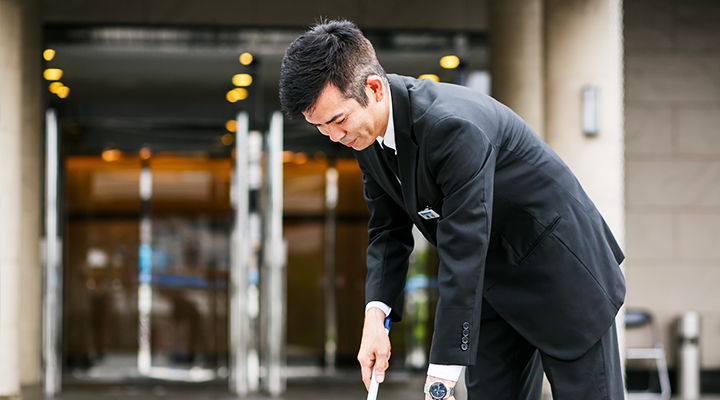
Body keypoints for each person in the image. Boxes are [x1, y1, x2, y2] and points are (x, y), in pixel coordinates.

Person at [279, 20, 626, 400]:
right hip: (490, 286)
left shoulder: (451, 126)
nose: (335, 137)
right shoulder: (367, 141)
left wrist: (442, 373)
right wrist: (375, 318)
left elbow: (464, 241)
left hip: (562, 273)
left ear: (374, 89)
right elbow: (387, 233)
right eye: (321, 129)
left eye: (338, 121)